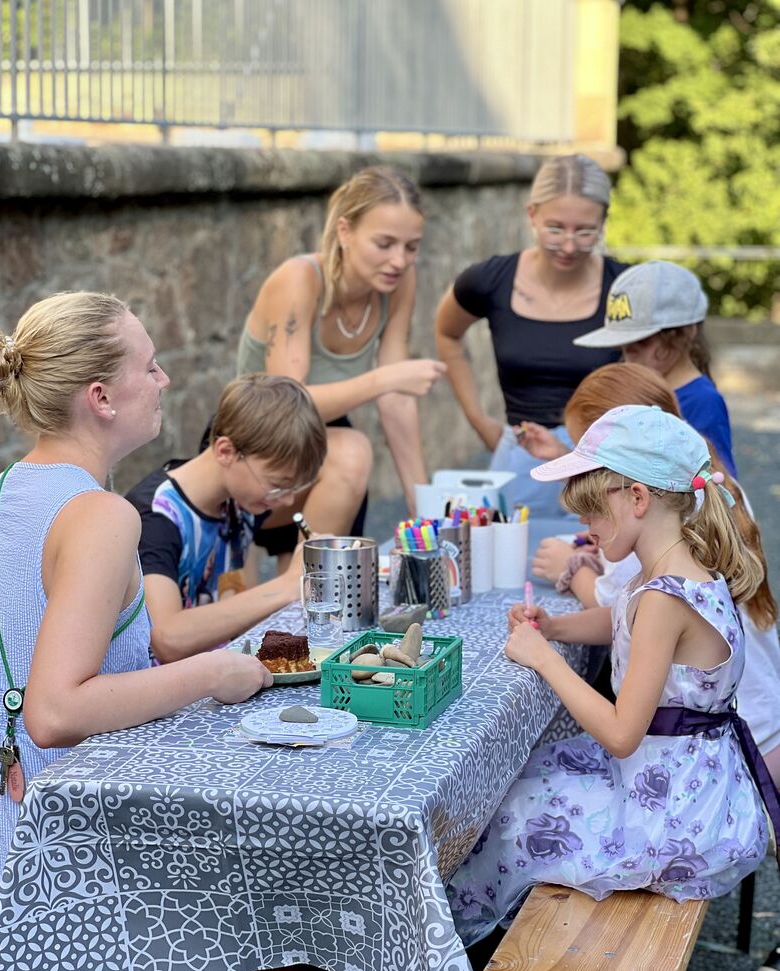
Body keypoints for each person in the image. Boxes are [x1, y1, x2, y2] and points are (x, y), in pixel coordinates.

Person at [0, 293, 308, 971]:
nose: (164, 380)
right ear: (101, 397)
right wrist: (213, 672)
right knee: (298, 895)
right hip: (59, 844)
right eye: (150, 367)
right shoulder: (102, 515)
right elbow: (55, 710)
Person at [446, 404, 778, 948]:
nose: (588, 529)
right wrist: (554, 626)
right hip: (684, 779)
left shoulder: (666, 598)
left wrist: (545, 658)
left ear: (637, 499)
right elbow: (622, 623)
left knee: (510, 817)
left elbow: (623, 734)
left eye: (593, 514)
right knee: (523, 776)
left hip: (675, 818)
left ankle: (455, 950)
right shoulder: (673, 569)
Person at [236, 164, 446, 561]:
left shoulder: (398, 283)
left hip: (326, 444)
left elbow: (397, 398)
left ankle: (310, 583)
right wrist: (384, 379)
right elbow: (285, 403)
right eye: (384, 243)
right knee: (352, 452)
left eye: (411, 247)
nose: (399, 260)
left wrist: (420, 502)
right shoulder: (299, 278)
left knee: (318, 583)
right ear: (345, 231)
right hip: (253, 441)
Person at [434, 153, 627, 517]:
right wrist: (478, 419)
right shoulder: (490, 280)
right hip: (524, 458)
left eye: (585, 231)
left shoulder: (626, 287)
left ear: (603, 221)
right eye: (555, 229)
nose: (569, 245)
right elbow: (447, 333)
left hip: (607, 464)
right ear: (532, 215)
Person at [126, 373, 327, 662]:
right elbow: (166, 639)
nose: (286, 501)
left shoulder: (238, 498)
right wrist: (286, 586)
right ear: (225, 451)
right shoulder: (157, 515)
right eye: (278, 485)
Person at [573, 259, 737, 476]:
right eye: (622, 342)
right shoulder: (636, 389)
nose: (628, 351)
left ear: (685, 333)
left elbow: (720, 482)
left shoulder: (702, 402)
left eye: (642, 341)